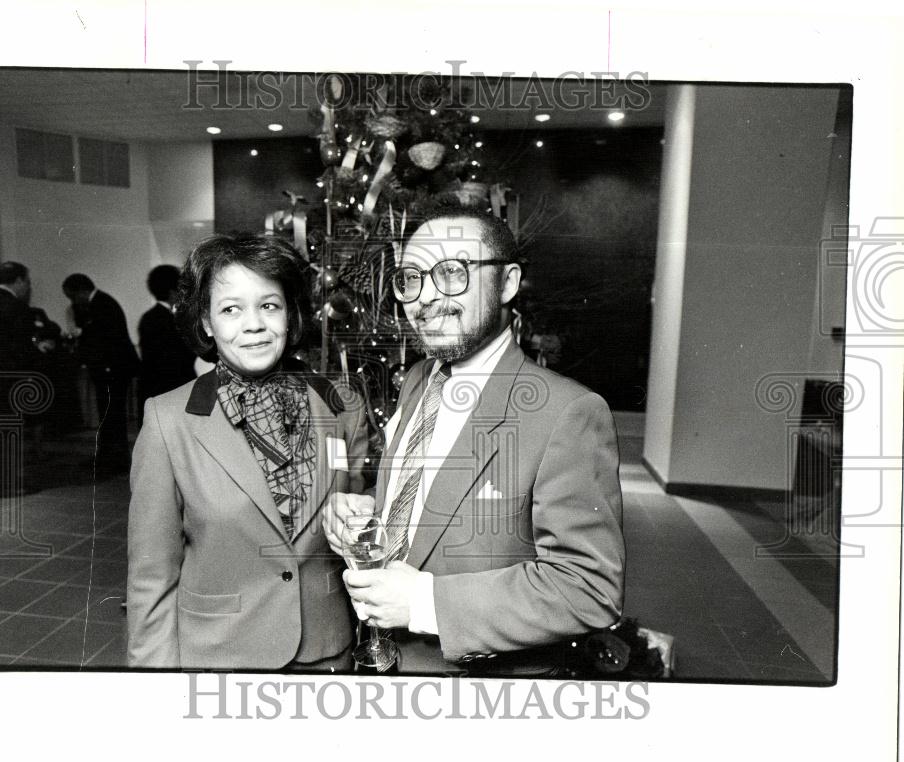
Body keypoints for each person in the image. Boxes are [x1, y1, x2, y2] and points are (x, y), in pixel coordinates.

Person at [323, 208, 626, 676]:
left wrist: (426, 602)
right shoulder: (420, 379)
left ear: (507, 284)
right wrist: (369, 514)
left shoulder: (567, 412)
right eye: (411, 279)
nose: (425, 298)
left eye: (451, 274)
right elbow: (428, 501)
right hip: (384, 671)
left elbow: (588, 588)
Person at [127, 233, 368, 670]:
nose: (253, 324)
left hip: (327, 651)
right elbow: (151, 576)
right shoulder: (169, 420)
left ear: (290, 315)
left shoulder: (342, 404)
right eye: (231, 309)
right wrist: (152, 686)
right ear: (206, 322)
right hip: (223, 656)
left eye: (268, 305)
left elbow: (356, 520)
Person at [0, 261, 48, 495]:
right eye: (27, 282)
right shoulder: (17, 307)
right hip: (8, 379)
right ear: (19, 281)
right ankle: (8, 484)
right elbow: (20, 348)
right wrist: (35, 364)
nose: (28, 287)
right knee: (8, 431)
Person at [62, 273, 140, 475]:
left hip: (113, 368)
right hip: (109, 368)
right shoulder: (97, 303)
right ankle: (108, 456)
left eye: (72, 296)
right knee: (108, 413)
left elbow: (104, 340)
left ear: (82, 291)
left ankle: (115, 459)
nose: (71, 302)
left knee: (112, 414)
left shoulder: (102, 305)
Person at [137, 264, 195, 424]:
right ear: (172, 292)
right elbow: (179, 356)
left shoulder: (149, 317)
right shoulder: (169, 320)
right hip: (170, 385)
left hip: (156, 385)